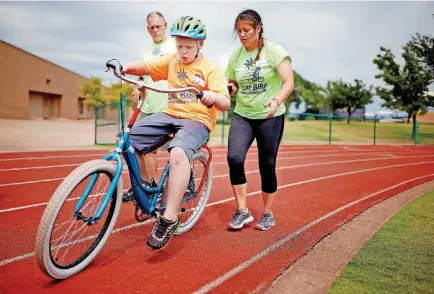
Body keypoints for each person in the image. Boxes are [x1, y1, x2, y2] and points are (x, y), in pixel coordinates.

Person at [121, 16, 231, 250]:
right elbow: (149, 68)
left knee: (178, 153)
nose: (182, 51)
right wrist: (125, 68)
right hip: (170, 114)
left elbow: (225, 101)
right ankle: (146, 185)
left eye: (188, 47)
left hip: (197, 120)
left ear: (201, 44)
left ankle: (169, 218)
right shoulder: (172, 61)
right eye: (179, 45)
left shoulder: (211, 69)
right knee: (127, 139)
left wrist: (212, 97)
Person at [225, 9, 295, 231]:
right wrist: (230, 88)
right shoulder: (236, 56)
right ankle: (242, 211)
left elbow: (288, 82)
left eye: (246, 30)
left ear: (258, 28)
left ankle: (268, 214)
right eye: (239, 31)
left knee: (267, 164)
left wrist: (276, 101)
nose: (242, 35)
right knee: (234, 157)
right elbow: (233, 83)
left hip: (270, 116)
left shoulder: (273, 51)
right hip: (243, 114)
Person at [122, 11, 176, 203]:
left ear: (165, 25)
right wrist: (137, 85)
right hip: (148, 104)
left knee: (175, 151)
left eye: (158, 26)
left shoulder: (174, 45)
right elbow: (144, 72)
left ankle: (169, 186)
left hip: (169, 106)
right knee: (136, 145)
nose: (155, 30)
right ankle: (145, 186)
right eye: (151, 27)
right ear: (147, 29)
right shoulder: (145, 48)